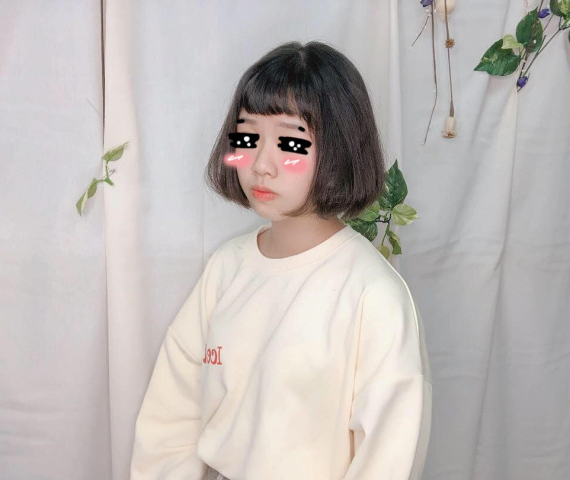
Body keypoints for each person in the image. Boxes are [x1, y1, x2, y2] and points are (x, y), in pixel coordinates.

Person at [130, 40, 433, 480]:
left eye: (291, 142)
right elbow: (171, 417)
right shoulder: (226, 268)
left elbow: (389, 456)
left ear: (340, 148)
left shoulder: (373, 294)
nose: (261, 164)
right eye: (248, 137)